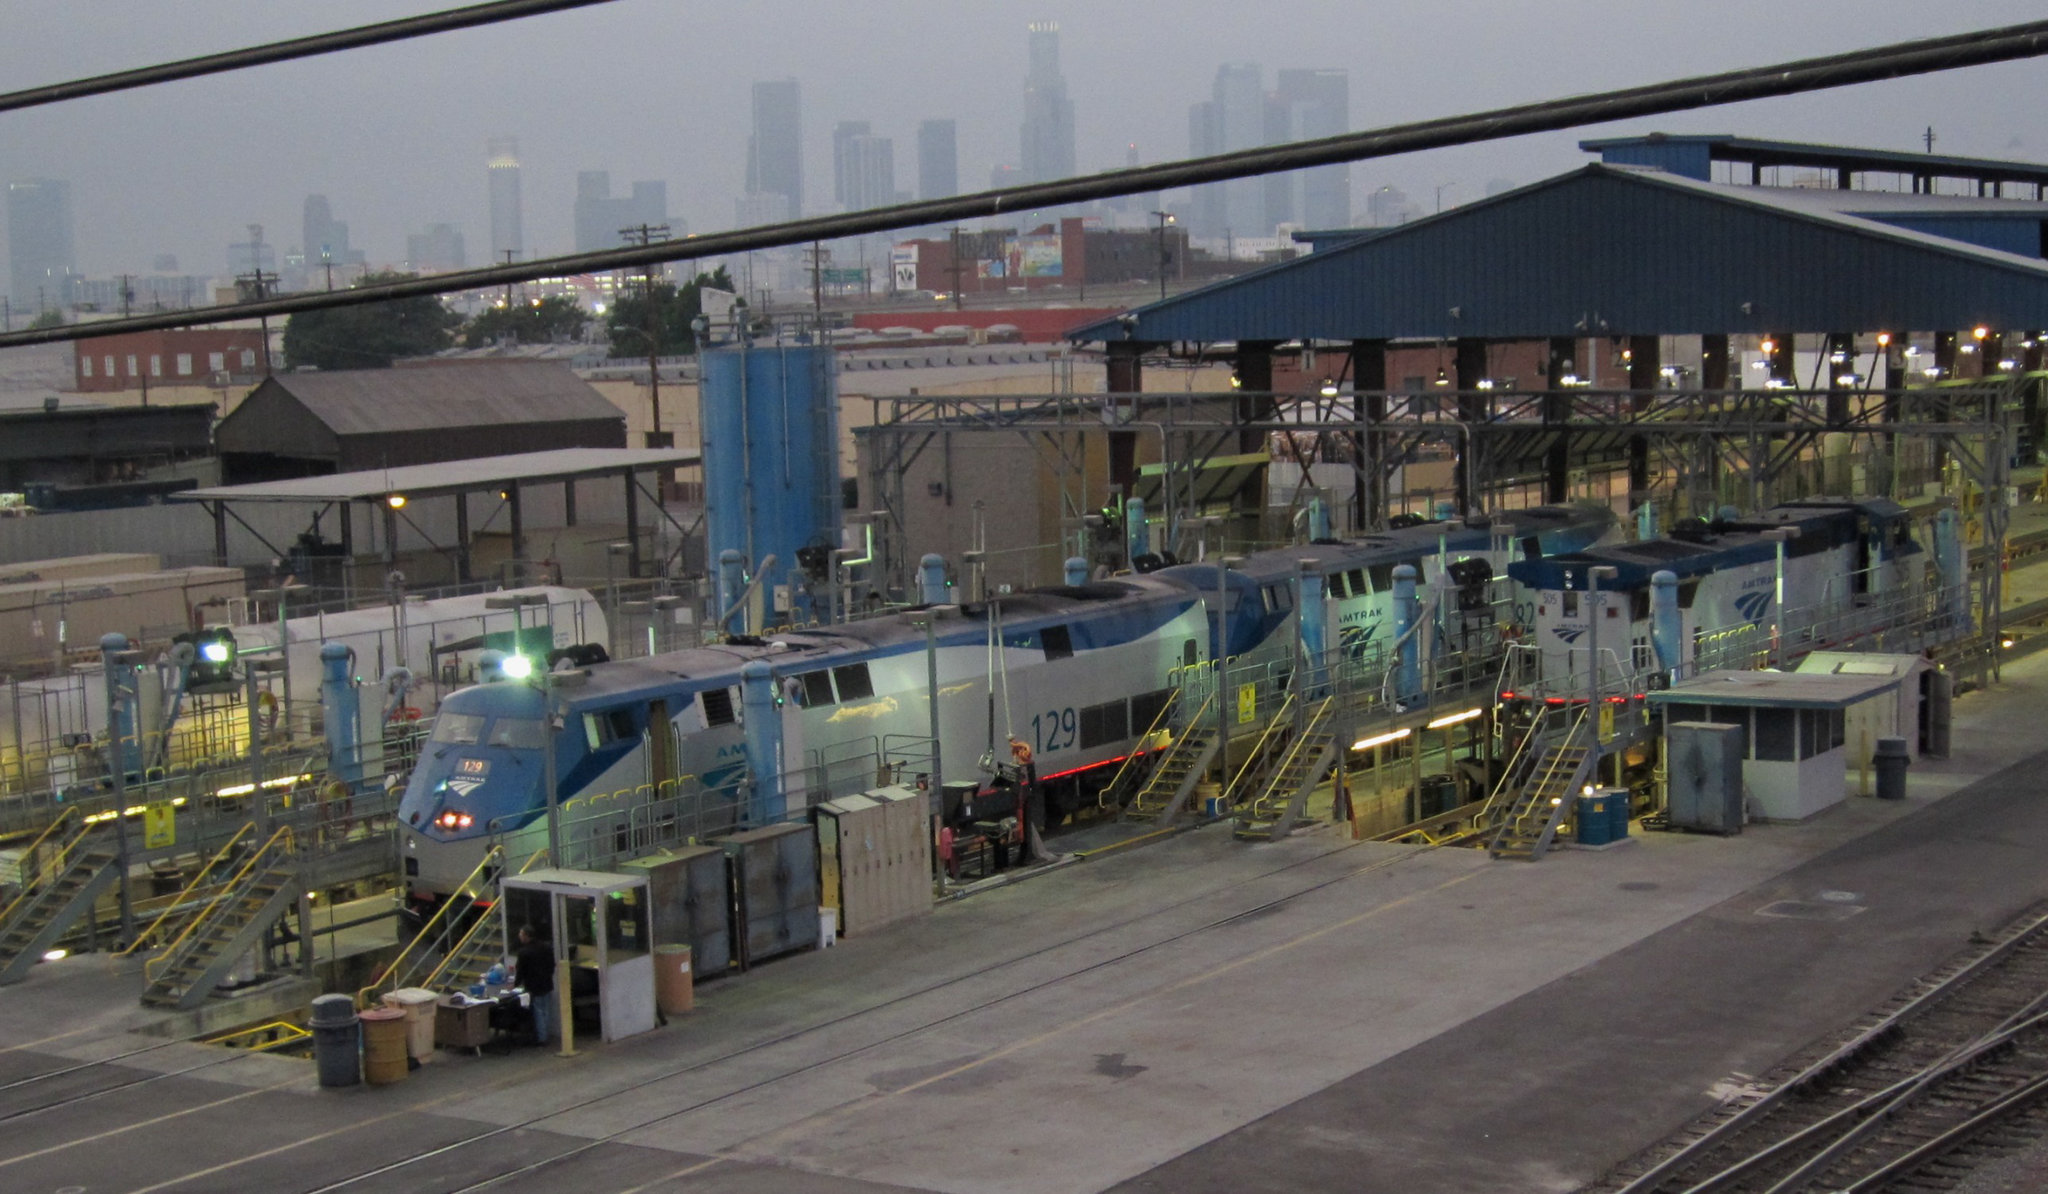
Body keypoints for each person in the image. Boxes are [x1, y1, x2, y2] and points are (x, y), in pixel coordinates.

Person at [514, 925, 556, 1046]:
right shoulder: (546, 947)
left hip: (533, 985)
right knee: (546, 1010)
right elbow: (551, 965)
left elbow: (520, 971)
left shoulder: (524, 952)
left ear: (526, 936)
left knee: (538, 1011)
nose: (519, 936)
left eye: (521, 934)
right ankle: (545, 1034)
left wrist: (515, 985)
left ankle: (541, 1038)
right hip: (546, 982)